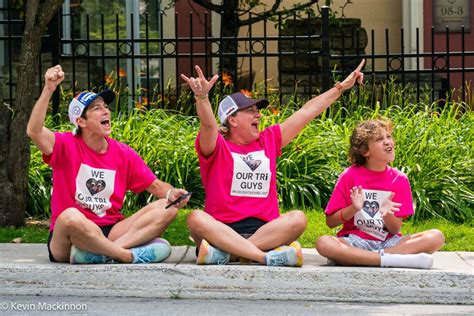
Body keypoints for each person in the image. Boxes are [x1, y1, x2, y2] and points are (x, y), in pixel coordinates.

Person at [180, 60, 365, 267]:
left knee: (298, 218)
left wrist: (340, 87)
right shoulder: (216, 146)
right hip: (221, 229)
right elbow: (207, 124)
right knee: (195, 218)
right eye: (250, 111)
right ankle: (262, 257)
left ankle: (230, 254)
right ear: (232, 120)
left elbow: (306, 112)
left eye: (257, 110)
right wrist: (202, 97)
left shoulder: (268, 140)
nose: (258, 114)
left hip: (265, 232)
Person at [27, 65, 190, 264]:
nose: (106, 111)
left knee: (168, 207)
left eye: (105, 106)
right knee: (70, 216)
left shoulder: (123, 152)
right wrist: (48, 89)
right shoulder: (64, 144)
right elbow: (34, 131)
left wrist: (171, 193)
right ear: (81, 121)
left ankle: (98, 254)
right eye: (97, 108)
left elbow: (156, 186)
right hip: (69, 238)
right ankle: (126, 255)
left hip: (111, 231)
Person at [315, 119, 445, 269]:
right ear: (365, 151)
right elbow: (331, 222)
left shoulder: (400, 179)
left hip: (388, 243)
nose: (387, 142)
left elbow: (395, 229)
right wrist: (354, 208)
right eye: (379, 139)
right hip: (355, 241)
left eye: (388, 137)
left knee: (436, 237)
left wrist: (387, 214)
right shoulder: (349, 175)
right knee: (323, 243)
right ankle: (391, 259)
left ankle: (366, 258)